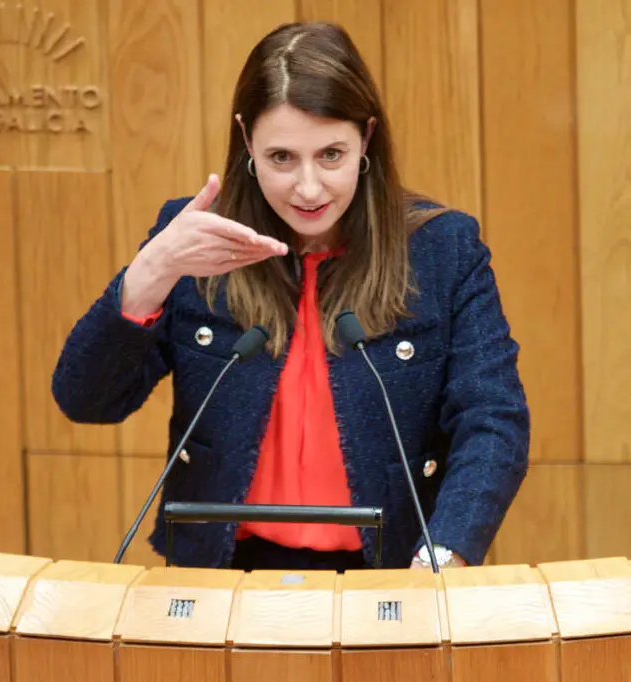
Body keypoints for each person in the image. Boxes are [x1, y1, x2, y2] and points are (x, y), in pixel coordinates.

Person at [51, 21, 529, 572]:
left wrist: (447, 551)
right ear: (246, 141)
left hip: (396, 571)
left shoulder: (442, 249)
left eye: (331, 155)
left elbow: (493, 417)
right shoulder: (196, 239)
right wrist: (151, 271)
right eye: (281, 158)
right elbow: (86, 401)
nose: (308, 188)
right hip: (224, 570)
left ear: (366, 138)